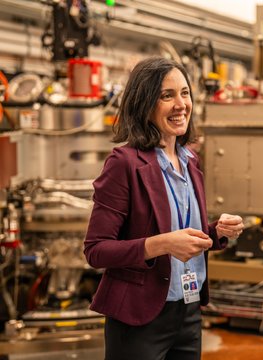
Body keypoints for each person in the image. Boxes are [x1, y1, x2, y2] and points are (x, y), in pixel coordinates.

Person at [84, 57, 244, 360]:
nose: (180, 104)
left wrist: (215, 231)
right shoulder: (125, 163)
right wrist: (163, 244)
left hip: (188, 309)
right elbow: (96, 250)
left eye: (185, 93)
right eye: (166, 96)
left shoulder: (189, 160)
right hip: (139, 316)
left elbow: (181, 231)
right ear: (144, 104)